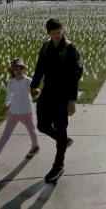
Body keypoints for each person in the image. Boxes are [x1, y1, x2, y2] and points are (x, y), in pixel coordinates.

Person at [30, 18, 83, 183]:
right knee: (42, 125)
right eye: (54, 33)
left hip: (63, 95)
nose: (57, 35)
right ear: (49, 33)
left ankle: (58, 164)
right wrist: (33, 85)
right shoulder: (46, 46)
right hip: (48, 92)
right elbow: (40, 67)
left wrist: (72, 100)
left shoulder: (69, 48)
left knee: (61, 128)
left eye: (59, 32)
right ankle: (64, 141)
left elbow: (74, 76)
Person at [0, 57, 40, 166]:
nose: (18, 71)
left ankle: (35, 146)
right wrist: (7, 105)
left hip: (26, 112)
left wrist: (38, 93)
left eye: (20, 68)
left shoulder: (28, 81)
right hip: (13, 113)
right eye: (15, 69)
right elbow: (9, 95)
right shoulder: (11, 82)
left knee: (31, 130)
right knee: (5, 135)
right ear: (12, 71)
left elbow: (34, 91)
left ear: (24, 69)